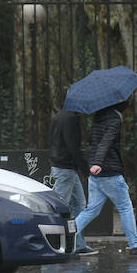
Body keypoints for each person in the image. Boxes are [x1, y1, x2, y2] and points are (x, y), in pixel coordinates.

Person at [73, 99, 137, 255]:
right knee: (125, 207)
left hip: (96, 174)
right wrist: (99, 162)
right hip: (110, 172)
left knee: (91, 210)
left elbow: (92, 140)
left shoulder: (97, 117)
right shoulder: (114, 118)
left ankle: (65, 236)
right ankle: (135, 245)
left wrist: (95, 163)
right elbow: (107, 141)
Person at [48, 109, 98, 256]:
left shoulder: (58, 116)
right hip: (66, 168)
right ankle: (55, 244)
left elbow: (52, 142)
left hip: (64, 167)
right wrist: (85, 168)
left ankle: (79, 244)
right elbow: (73, 147)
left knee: (79, 205)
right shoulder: (70, 119)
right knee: (59, 208)